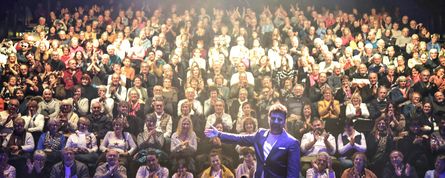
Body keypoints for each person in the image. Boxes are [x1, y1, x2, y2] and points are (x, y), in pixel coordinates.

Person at [205, 103, 300, 178]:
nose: (275, 121)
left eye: (279, 119)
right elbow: (239, 138)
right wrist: (219, 134)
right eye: (273, 118)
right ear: (268, 118)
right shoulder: (260, 134)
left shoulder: (292, 142)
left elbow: (293, 174)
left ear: (284, 121)